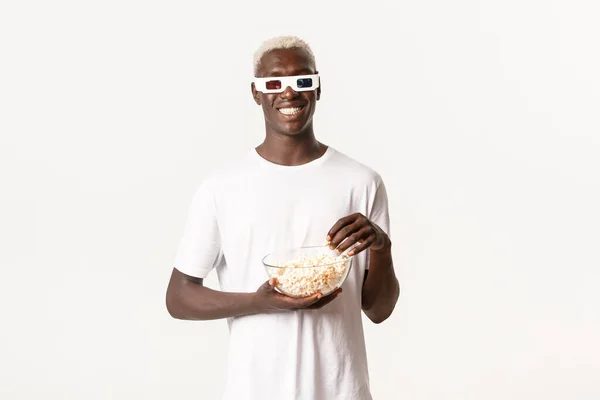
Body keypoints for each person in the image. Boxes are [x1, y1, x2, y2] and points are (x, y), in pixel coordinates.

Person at [166, 35, 400, 400]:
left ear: (317, 88)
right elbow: (178, 297)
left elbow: (379, 310)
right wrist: (260, 302)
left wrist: (382, 247)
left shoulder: (361, 181)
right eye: (274, 83)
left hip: (342, 390)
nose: (289, 93)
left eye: (302, 81)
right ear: (256, 94)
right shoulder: (221, 187)